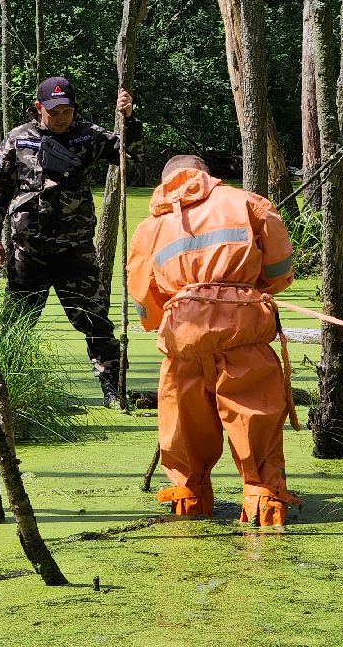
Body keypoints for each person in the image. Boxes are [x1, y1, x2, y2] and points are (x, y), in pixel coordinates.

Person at [126, 154, 301, 527]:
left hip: (183, 338)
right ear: (206, 176)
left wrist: (170, 320)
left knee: (183, 429)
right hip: (244, 333)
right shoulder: (247, 203)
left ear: (166, 180)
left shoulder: (148, 229)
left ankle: (189, 502)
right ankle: (265, 504)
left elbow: (145, 300)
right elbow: (280, 268)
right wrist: (252, 291)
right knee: (255, 421)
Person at [0, 75, 141, 407]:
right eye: (54, 111)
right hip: (28, 253)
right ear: (39, 108)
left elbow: (129, 156)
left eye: (67, 111)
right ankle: (7, 393)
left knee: (96, 323)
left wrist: (129, 119)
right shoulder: (18, 139)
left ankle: (114, 392)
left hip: (75, 252)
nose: (61, 117)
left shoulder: (87, 135)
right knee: (15, 327)